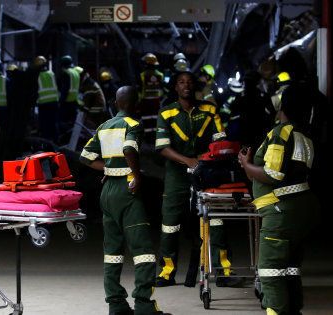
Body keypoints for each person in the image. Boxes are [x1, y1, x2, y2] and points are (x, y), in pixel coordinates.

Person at [80, 86, 170, 315]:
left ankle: (116, 304)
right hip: (127, 191)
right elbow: (129, 148)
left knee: (112, 251)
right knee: (143, 251)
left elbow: (86, 157)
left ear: (116, 102)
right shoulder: (133, 124)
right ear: (135, 104)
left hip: (107, 192)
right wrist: (137, 175)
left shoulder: (104, 126)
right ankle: (143, 305)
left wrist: (109, 168)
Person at [154, 70, 242, 287]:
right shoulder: (166, 114)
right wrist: (189, 161)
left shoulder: (210, 110)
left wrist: (205, 160)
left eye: (190, 82)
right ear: (175, 87)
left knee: (217, 220)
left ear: (195, 86)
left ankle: (223, 273)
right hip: (177, 177)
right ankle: (166, 273)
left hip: (208, 174)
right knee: (170, 224)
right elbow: (162, 148)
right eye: (181, 82)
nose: (186, 86)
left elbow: (221, 142)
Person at [238, 83, 319, 315]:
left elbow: (273, 175)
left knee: (270, 271)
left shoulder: (281, 132)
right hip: (299, 212)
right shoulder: (304, 134)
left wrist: (245, 163)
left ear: (282, 105)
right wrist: (250, 165)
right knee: (290, 268)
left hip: (280, 212)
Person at [32, 56, 59, 141]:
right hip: (54, 101)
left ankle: (46, 143)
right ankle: (56, 141)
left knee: (44, 125)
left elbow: (35, 90)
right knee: (53, 123)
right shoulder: (51, 73)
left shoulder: (37, 76)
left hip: (43, 103)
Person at [57, 55, 81, 132]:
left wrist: (60, 102)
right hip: (74, 102)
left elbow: (65, 89)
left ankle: (64, 140)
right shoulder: (76, 72)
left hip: (66, 103)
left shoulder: (66, 73)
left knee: (63, 123)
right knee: (73, 124)